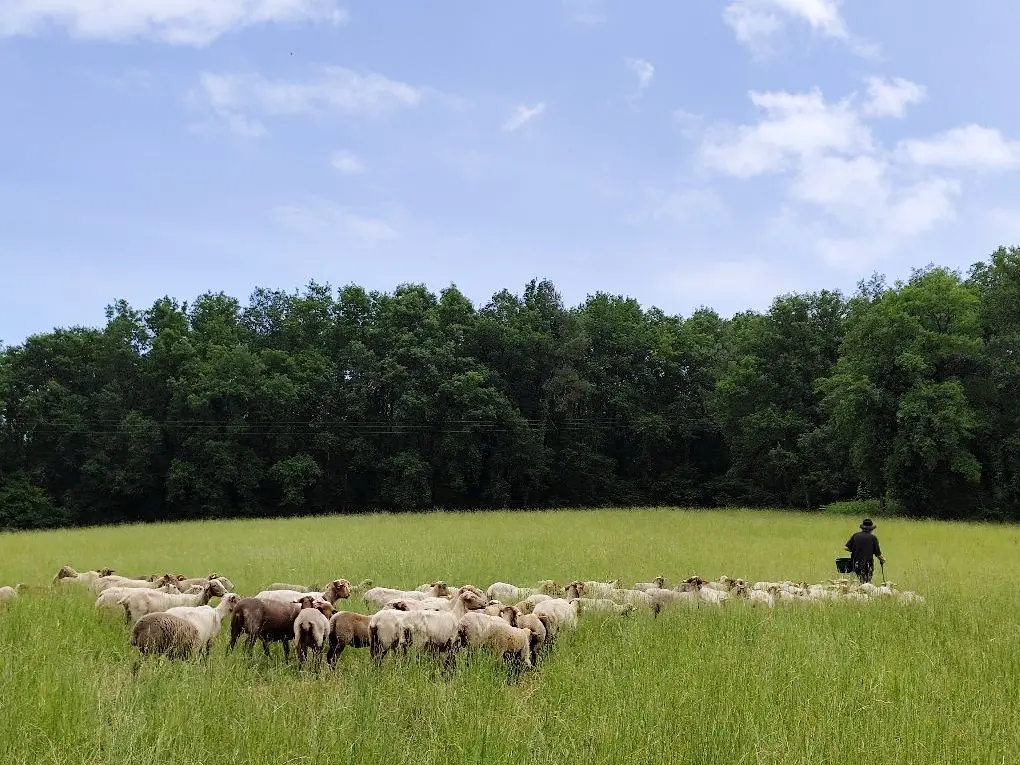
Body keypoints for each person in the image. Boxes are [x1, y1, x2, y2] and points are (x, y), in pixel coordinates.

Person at [844, 518, 885, 584]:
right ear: (871, 529)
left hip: (856, 562)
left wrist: (856, 549)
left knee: (859, 579)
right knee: (867, 581)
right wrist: (882, 559)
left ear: (862, 528)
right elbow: (877, 553)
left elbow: (846, 548)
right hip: (867, 563)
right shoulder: (873, 538)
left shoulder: (855, 535)